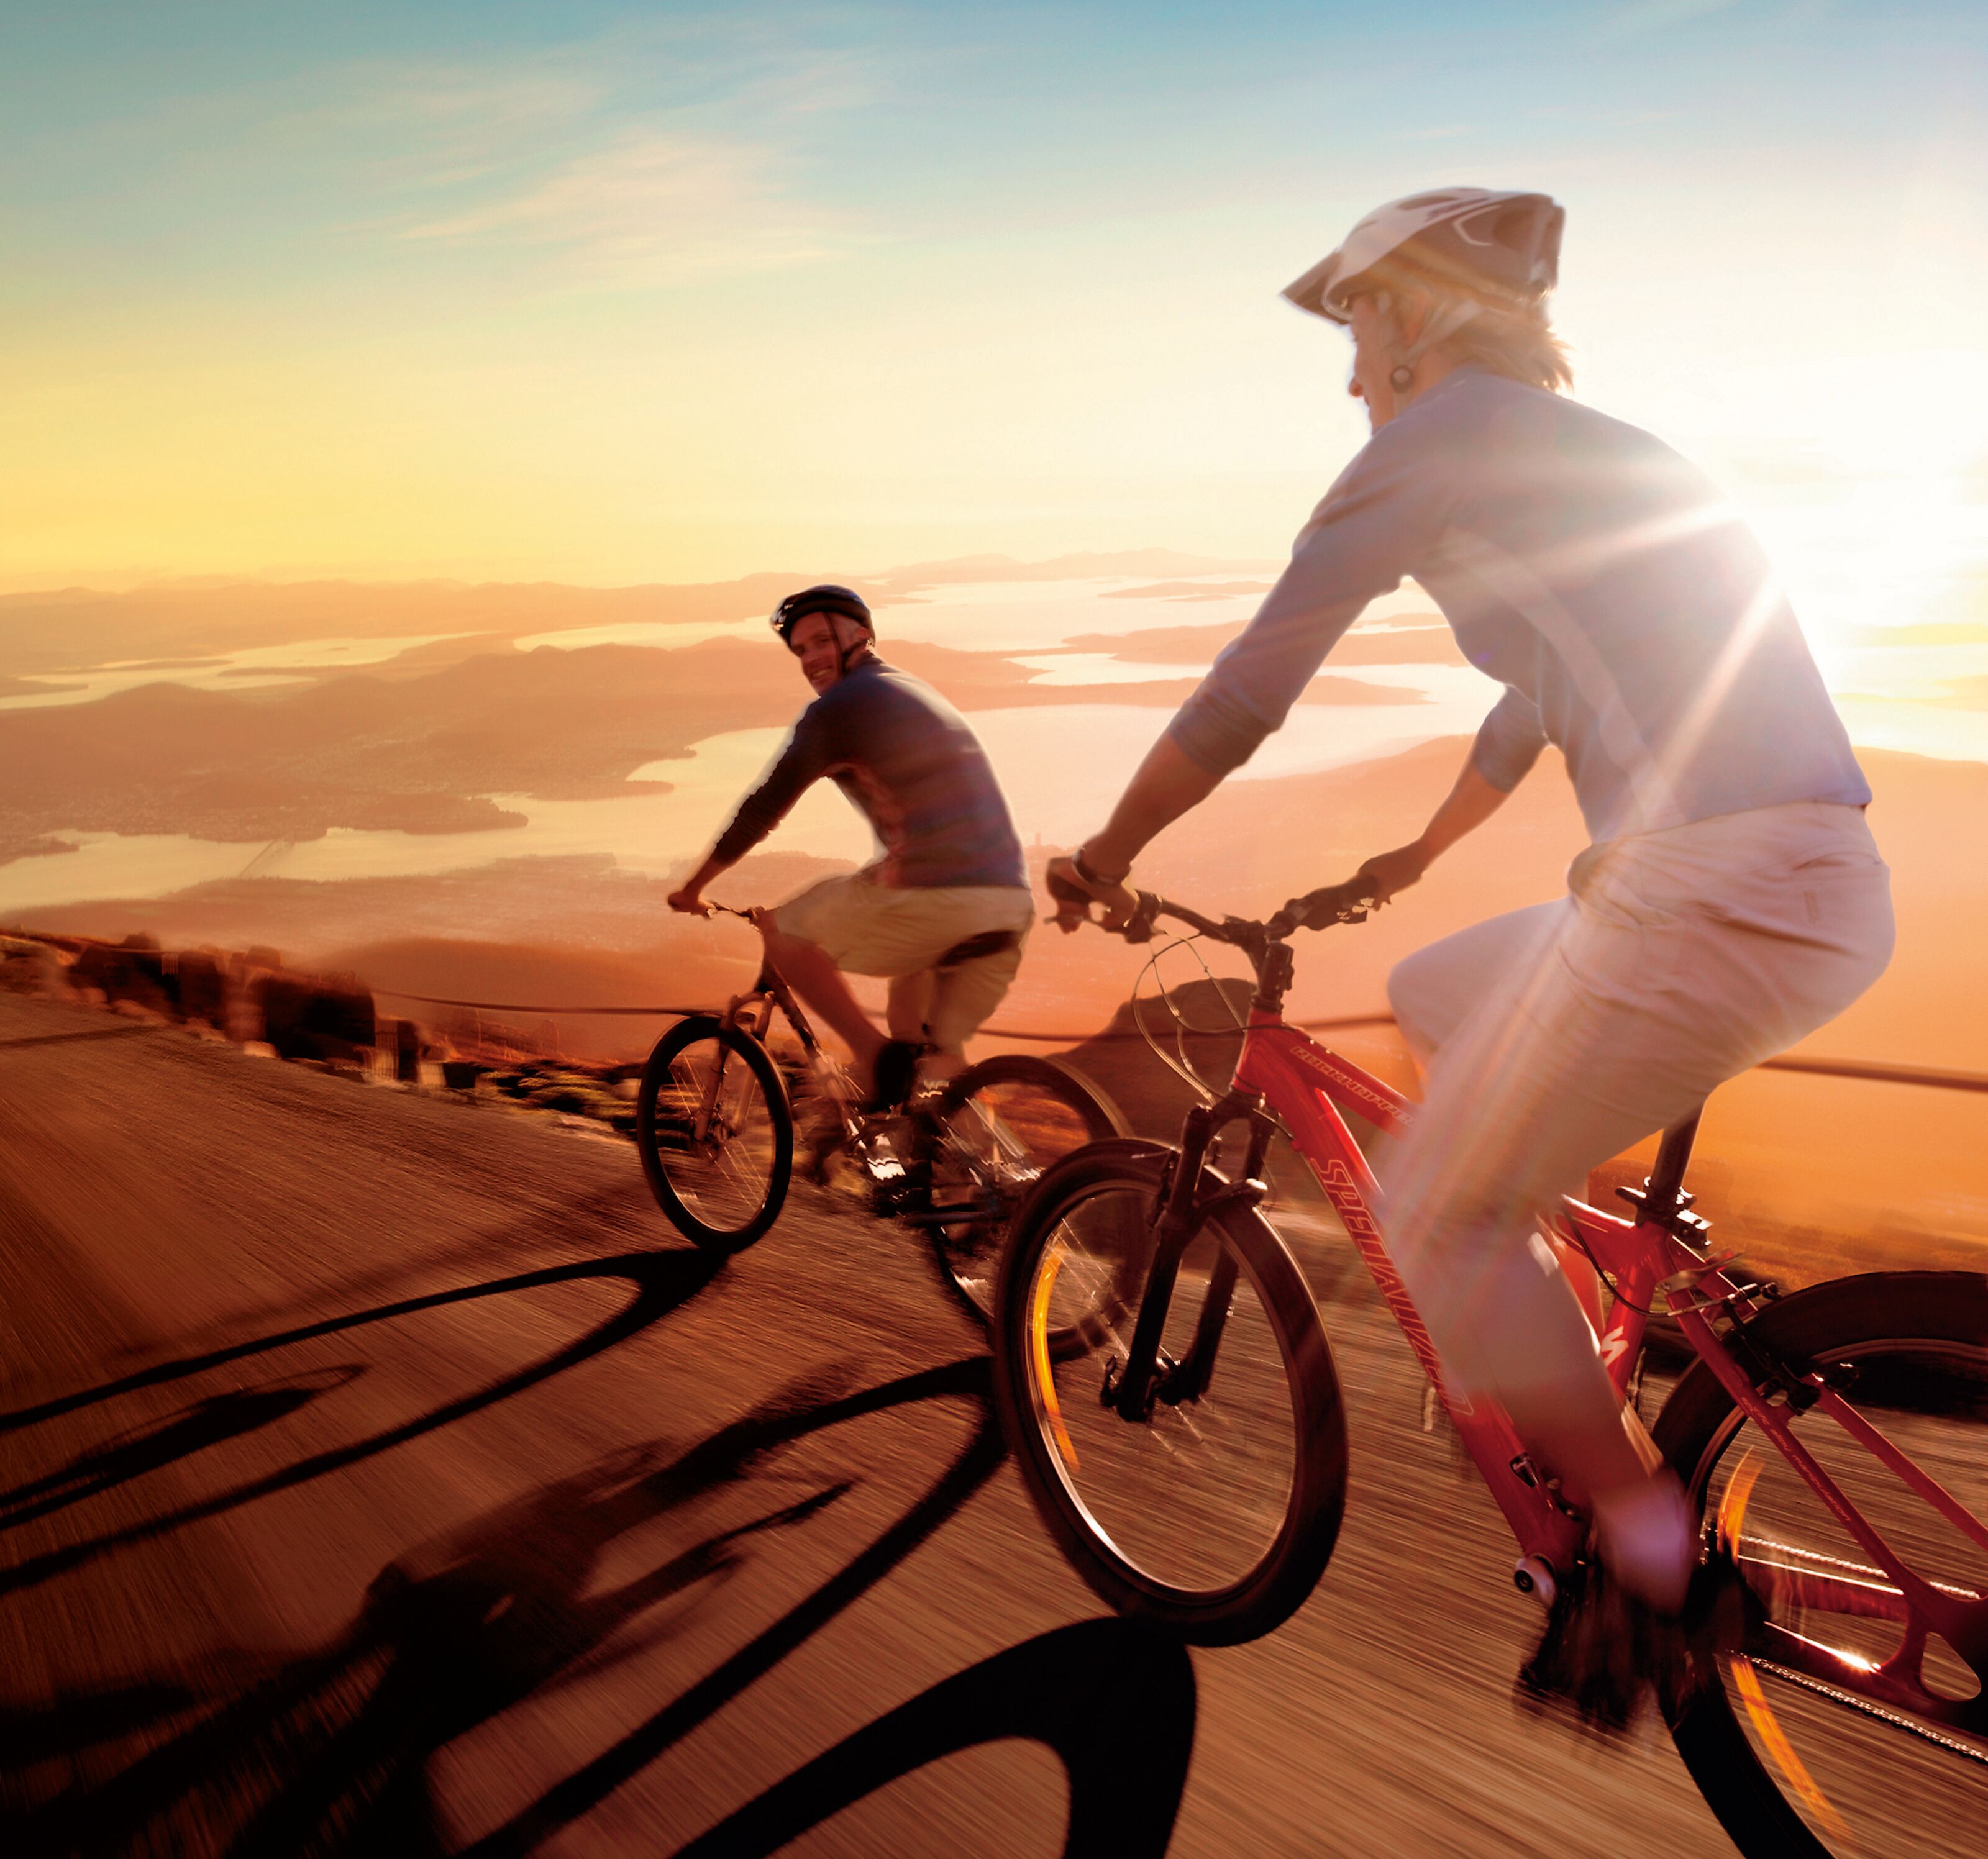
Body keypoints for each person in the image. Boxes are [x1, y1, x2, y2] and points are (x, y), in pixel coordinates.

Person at [1047, 187, 1893, 1701]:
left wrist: (1110, 853)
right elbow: (1535, 703)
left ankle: (1641, 1559)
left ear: (1418, 312)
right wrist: (1415, 856)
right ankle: (1571, 1314)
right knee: (1440, 987)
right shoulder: (1591, 456)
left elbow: (1249, 691)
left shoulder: (1423, 449)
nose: (1348, 365)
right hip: (1795, 879)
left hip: (1712, 888)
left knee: (1436, 1206)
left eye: (1356, 318)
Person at [670, 584, 1035, 1107]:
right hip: (1008, 903)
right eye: (800, 651)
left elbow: (763, 809)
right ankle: (982, 1182)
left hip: (935, 894)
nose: (811, 659)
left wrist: (694, 888)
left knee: (785, 934)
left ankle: (872, 1057)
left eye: (821, 642)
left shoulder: (838, 710)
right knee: (927, 1061)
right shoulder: (909, 687)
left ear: (859, 634)